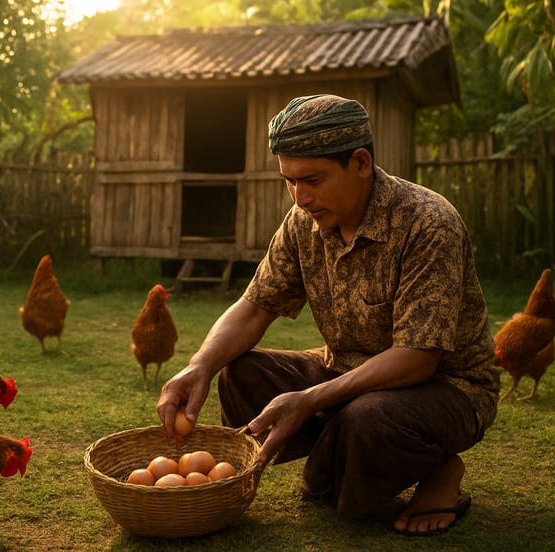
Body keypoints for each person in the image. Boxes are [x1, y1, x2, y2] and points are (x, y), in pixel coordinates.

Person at [156, 94, 500, 536]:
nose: (300, 197)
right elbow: (255, 305)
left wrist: (313, 400)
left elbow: (418, 358)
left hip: (446, 388)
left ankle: (439, 468)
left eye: (312, 179)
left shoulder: (428, 222)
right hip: (344, 373)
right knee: (239, 371)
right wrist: (199, 365)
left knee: (367, 421)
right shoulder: (304, 222)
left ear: (360, 163)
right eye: (289, 181)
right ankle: (340, 457)